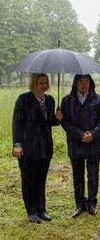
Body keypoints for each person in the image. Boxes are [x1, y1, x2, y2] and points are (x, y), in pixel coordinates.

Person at [12, 73, 62, 223]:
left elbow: (50, 122)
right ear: (34, 83)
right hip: (28, 147)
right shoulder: (24, 99)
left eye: (46, 82)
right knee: (28, 180)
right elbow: (17, 123)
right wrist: (17, 145)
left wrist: (58, 118)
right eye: (41, 82)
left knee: (41, 179)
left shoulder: (50, 100)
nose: (44, 85)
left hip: (45, 147)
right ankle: (31, 211)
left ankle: (41, 209)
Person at [61, 74, 100, 218]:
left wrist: (92, 134)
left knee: (93, 174)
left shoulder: (99, 99)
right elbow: (65, 122)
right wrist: (80, 134)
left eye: (86, 82)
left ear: (91, 83)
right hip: (75, 142)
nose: (83, 85)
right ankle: (79, 204)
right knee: (77, 174)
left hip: (93, 143)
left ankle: (92, 204)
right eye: (80, 82)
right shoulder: (67, 100)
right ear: (75, 83)